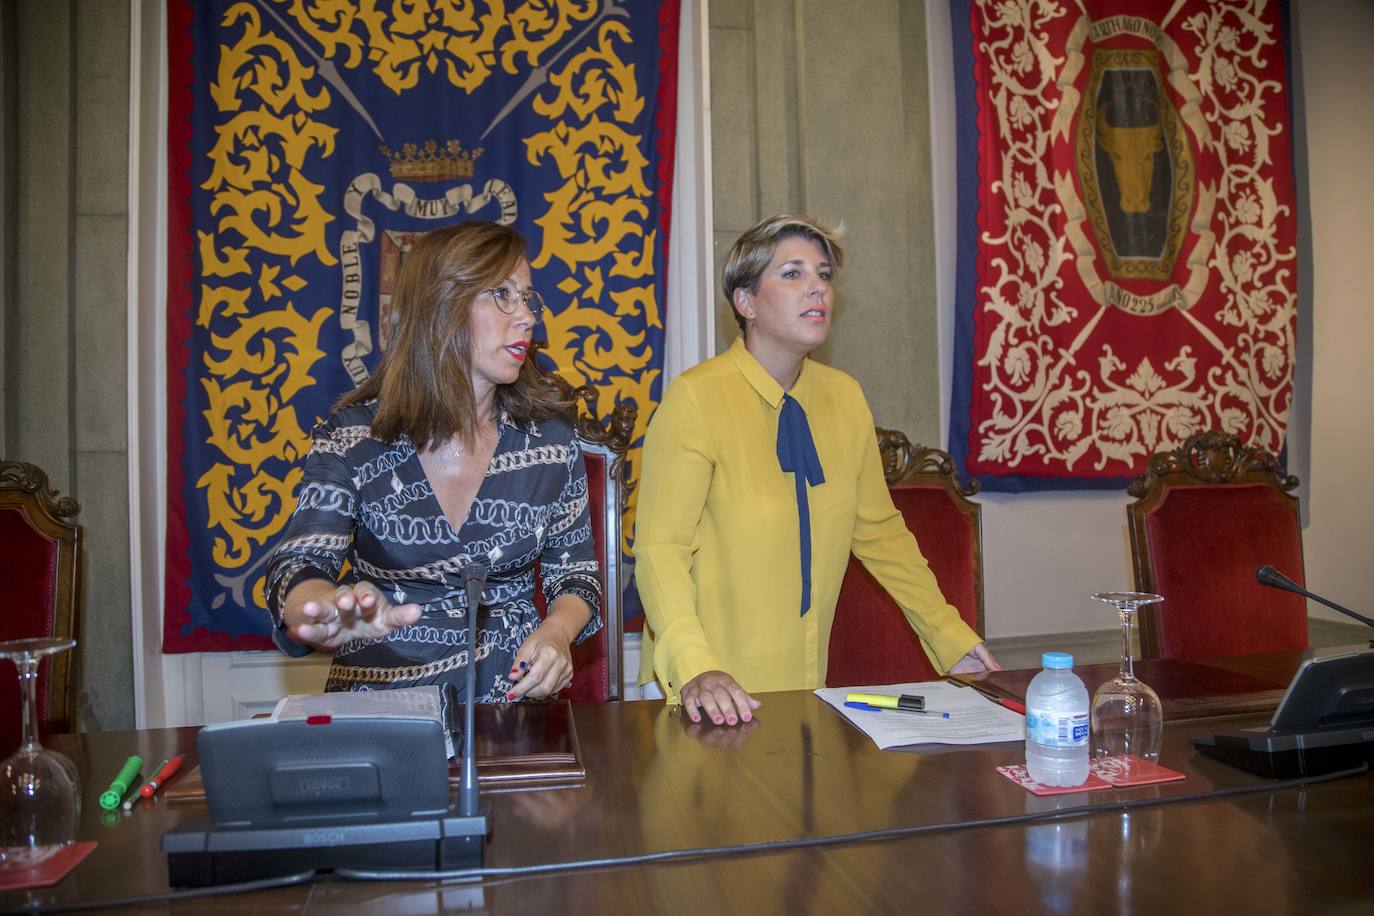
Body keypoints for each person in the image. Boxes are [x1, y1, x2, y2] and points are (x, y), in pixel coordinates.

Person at [634, 214, 999, 726]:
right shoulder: (695, 399)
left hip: (805, 679)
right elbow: (661, 550)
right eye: (793, 273)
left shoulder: (843, 397)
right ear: (745, 302)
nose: (817, 288)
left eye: (823, 275)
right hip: (703, 684)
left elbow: (880, 534)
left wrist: (947, 634)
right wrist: (696, 665)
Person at [265, 220, 601, 701]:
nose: (528, 317)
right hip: (380, 707)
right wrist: (321, 609)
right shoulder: (353, 438)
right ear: (441, 306)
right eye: (503, 295)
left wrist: (557, 632)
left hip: (508, 705)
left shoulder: (550, 442)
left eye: (528, 299)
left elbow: (575, 576)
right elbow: (300, 565)